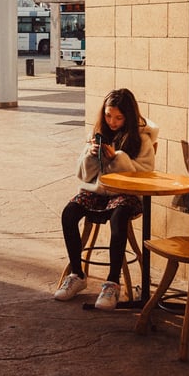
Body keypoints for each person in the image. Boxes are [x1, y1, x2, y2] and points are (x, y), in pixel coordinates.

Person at [54, 87, 158, 310]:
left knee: (118, 217)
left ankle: (112, 283)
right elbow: (82, 174)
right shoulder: (98, 133)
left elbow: (146, 174)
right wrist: (92, 157)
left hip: (127, 195)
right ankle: (77, 274)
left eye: (119, 117)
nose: (112, 121)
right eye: (109, 115)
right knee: (69, 213)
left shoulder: (142, 139)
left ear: (129, 117)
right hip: (98, 191)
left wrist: (118, 159)